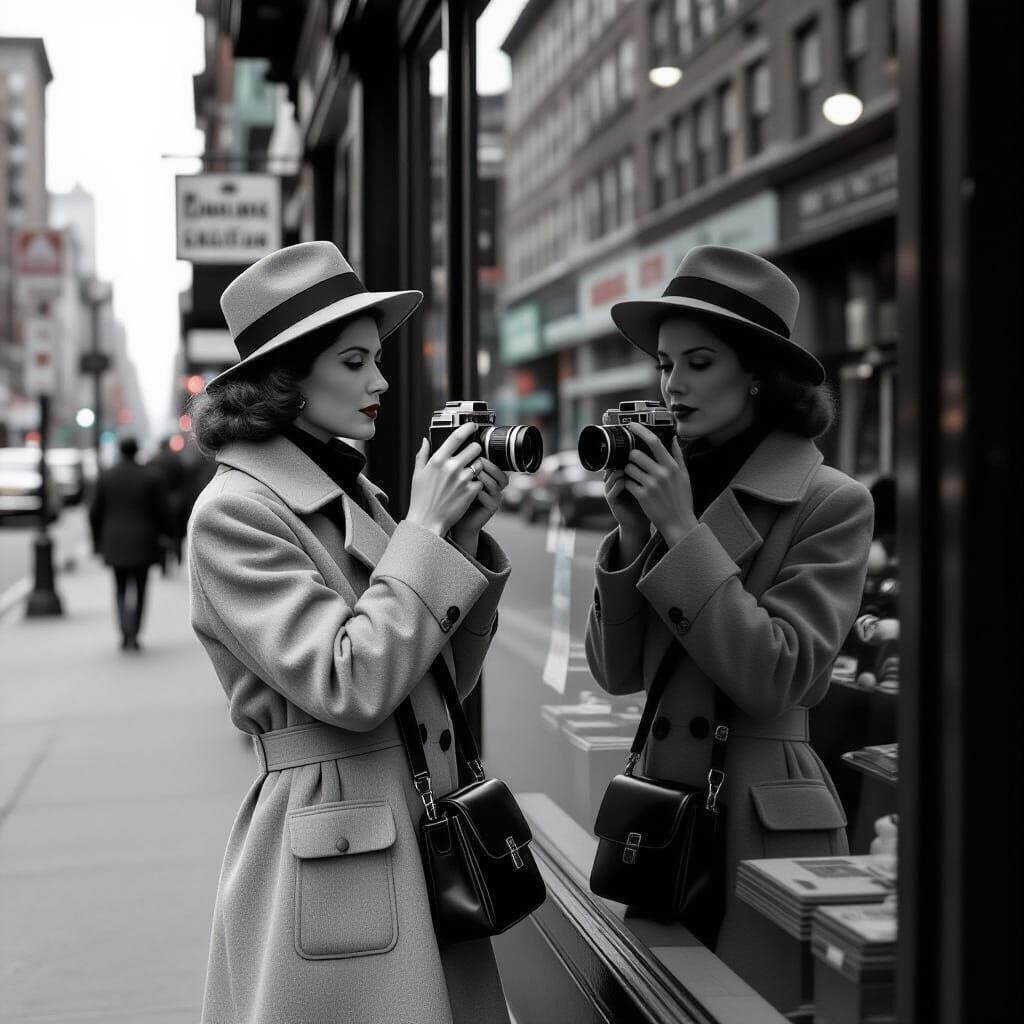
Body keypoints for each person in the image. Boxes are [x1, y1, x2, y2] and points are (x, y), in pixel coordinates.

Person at [186, 241, 513, 1024]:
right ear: (287, 382)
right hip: (336, 847)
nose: (381, 382)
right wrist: (425, 532)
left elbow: (430, 681)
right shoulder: (234, 512)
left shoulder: (351, 489)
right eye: (354, 361)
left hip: (412, 823)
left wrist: (461, 541)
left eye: (378, 359)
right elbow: (353, 684)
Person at [584, 245, 874, 1011]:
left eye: (699, 362)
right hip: (662, 815)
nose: (672, 385)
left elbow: (778, 676)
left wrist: (682, 531)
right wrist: (631, 534)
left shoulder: (831, 501)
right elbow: (616, 674)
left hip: (761, 823)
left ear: (757, 374)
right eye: (664, 364)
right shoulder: (669, 486)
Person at [89, 435, 170, 651]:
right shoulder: (152, 476)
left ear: (120, 451)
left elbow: (94, 513)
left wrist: (96, 542)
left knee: (120, 587)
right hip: (144, 540)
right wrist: (166, 535)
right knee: (141, 588)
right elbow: (162, 511)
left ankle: (124, 631)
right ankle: (135, 631)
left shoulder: (106, 476)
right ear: (136, 451)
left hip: (114, 541)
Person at [147, 436, 187, 574]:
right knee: (177, 531)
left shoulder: (153, 461)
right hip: (176, 499)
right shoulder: (177, 460)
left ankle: (163, 563)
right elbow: (184, 481)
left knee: (161, 532)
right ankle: (178, 556)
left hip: (159, 500)